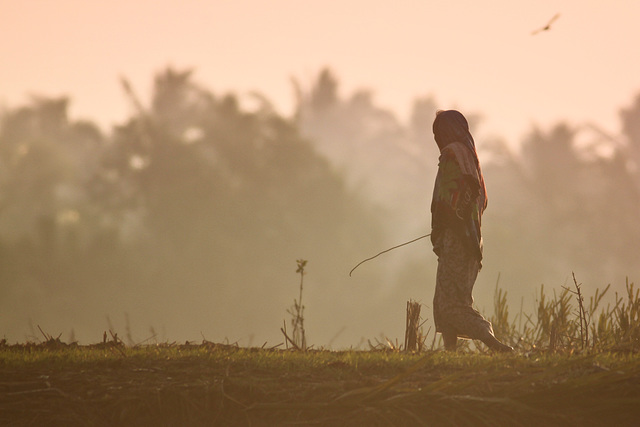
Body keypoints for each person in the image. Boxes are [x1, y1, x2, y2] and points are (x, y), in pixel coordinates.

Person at [430, 110, 513, 352]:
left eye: (438, 131)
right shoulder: (469, 156)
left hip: (457, 240)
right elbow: (478, 197)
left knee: (452, 304)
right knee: (446, 299)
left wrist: (452, 219)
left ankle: (493, 342)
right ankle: (450, 352)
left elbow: (460, 191)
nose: (437, 137)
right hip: (470, 241)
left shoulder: (451, 153)